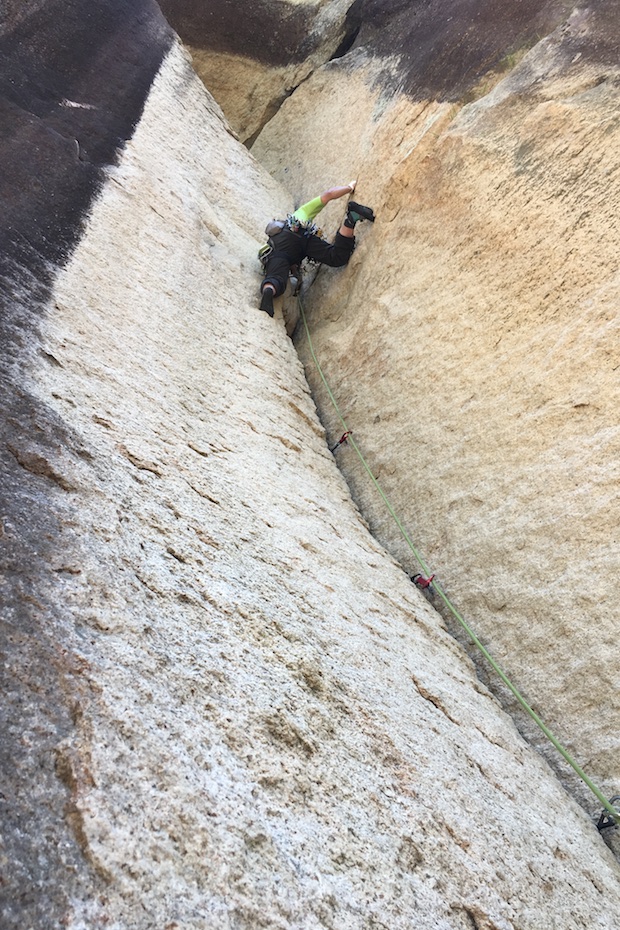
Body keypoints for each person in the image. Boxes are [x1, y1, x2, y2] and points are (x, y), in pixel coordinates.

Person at [258, 181, 375, 316]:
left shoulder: (272, 251)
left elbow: (279, 263)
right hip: (302, 235)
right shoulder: (299, 214)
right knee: (335, 255)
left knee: (275, 278)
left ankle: (269, 290)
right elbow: (328, 194)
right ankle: (352, 216)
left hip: (283, 253)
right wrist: (350, 187)